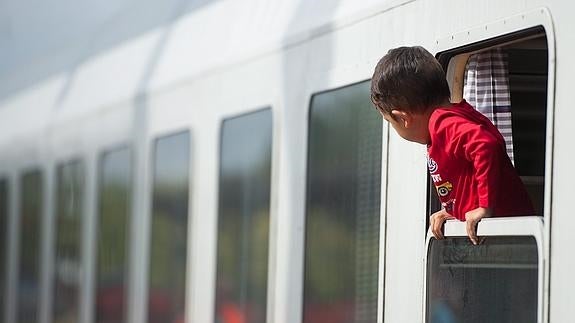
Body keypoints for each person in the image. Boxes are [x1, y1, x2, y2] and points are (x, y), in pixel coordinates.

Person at [370, 46, 534, 245]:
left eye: (390, 122)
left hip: (510, 238)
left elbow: (486, 145)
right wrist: (453, 211)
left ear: (402, 118)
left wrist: (484, 207)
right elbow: (467, 173)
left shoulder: (443, 123)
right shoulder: (452, 117)